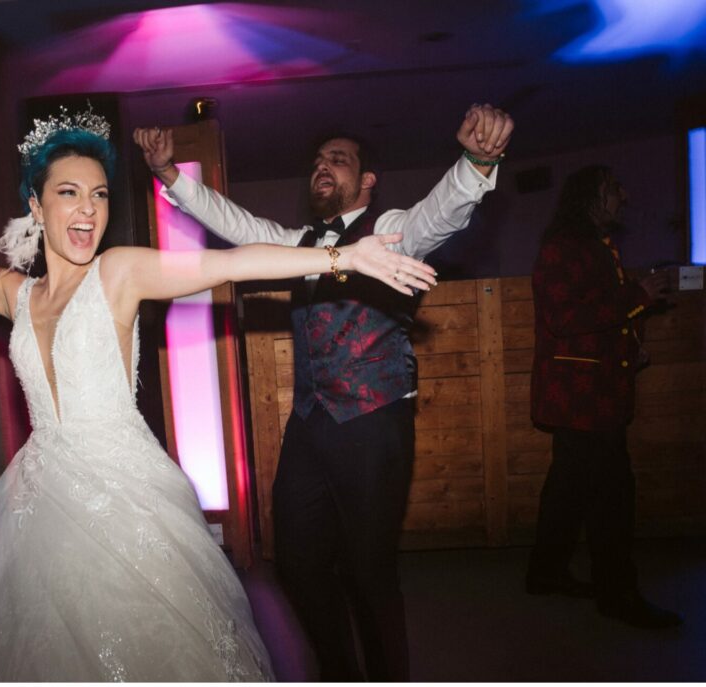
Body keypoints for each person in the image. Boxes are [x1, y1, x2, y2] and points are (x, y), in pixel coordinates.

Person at [0, 76, 437, 681]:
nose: (89, 209)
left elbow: (228, 263)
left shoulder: (118, 274)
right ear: (37, 207)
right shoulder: (13, 293)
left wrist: (343, 256)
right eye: (69, 193)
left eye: (99, 194)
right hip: (39, 501)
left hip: (125, 498)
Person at [134, 103, 513, 681]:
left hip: (373, 422)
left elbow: (438, 216)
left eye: (338, 160)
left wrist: (475, 164)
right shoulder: (300, 243)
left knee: (369, 571)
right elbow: (237, 227)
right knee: (300, 565)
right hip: (310, 425)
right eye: (317, 161)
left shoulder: (389, 231)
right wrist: (170, 177)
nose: (323, 167)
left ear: (366, 180)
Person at [526, 165, 682, 629]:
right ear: (593, 195)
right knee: (612, 496)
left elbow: (594, 319)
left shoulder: (592, 244)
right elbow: (565, 318)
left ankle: (546, 573)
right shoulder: (563, 247)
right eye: (616, 188)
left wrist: (630, 346)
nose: (625, 195)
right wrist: (637, 296)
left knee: (568, 490)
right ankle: (617, 595)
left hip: (591, 393)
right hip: (582, 398)